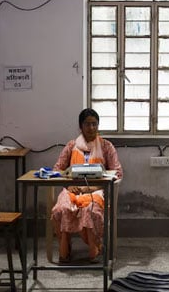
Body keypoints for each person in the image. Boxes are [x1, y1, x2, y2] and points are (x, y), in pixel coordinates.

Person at [50, 108, 123, 262]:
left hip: (97, 191)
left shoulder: (106, 146)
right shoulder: (71, 146)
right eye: (87, 124)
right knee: (60, 209)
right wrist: (69, 186)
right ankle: (65, 247)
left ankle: (94, 247)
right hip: (72, 190)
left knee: (90, 211)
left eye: (94, 124)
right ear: (80, 126)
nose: (91, 128)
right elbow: (57, 169)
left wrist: (97, 186)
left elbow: (117, 172)